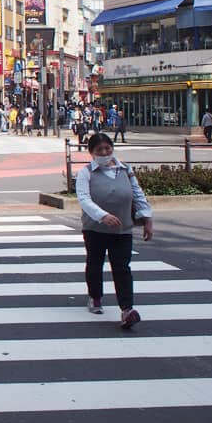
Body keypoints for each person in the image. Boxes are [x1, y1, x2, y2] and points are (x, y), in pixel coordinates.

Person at [75, 132, 153, 328]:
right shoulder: (86, 173)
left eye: (107, 148)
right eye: (99, 150)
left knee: (122, 267)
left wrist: (147, 217)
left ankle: (127, 309)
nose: (104, 152)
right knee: (95, 263)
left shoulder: (125, 169)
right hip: (95, 228)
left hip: (123, 228)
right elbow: (84, 199)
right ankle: (95, 296)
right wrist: (102, 216)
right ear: (91, 152)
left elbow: (137, 194)